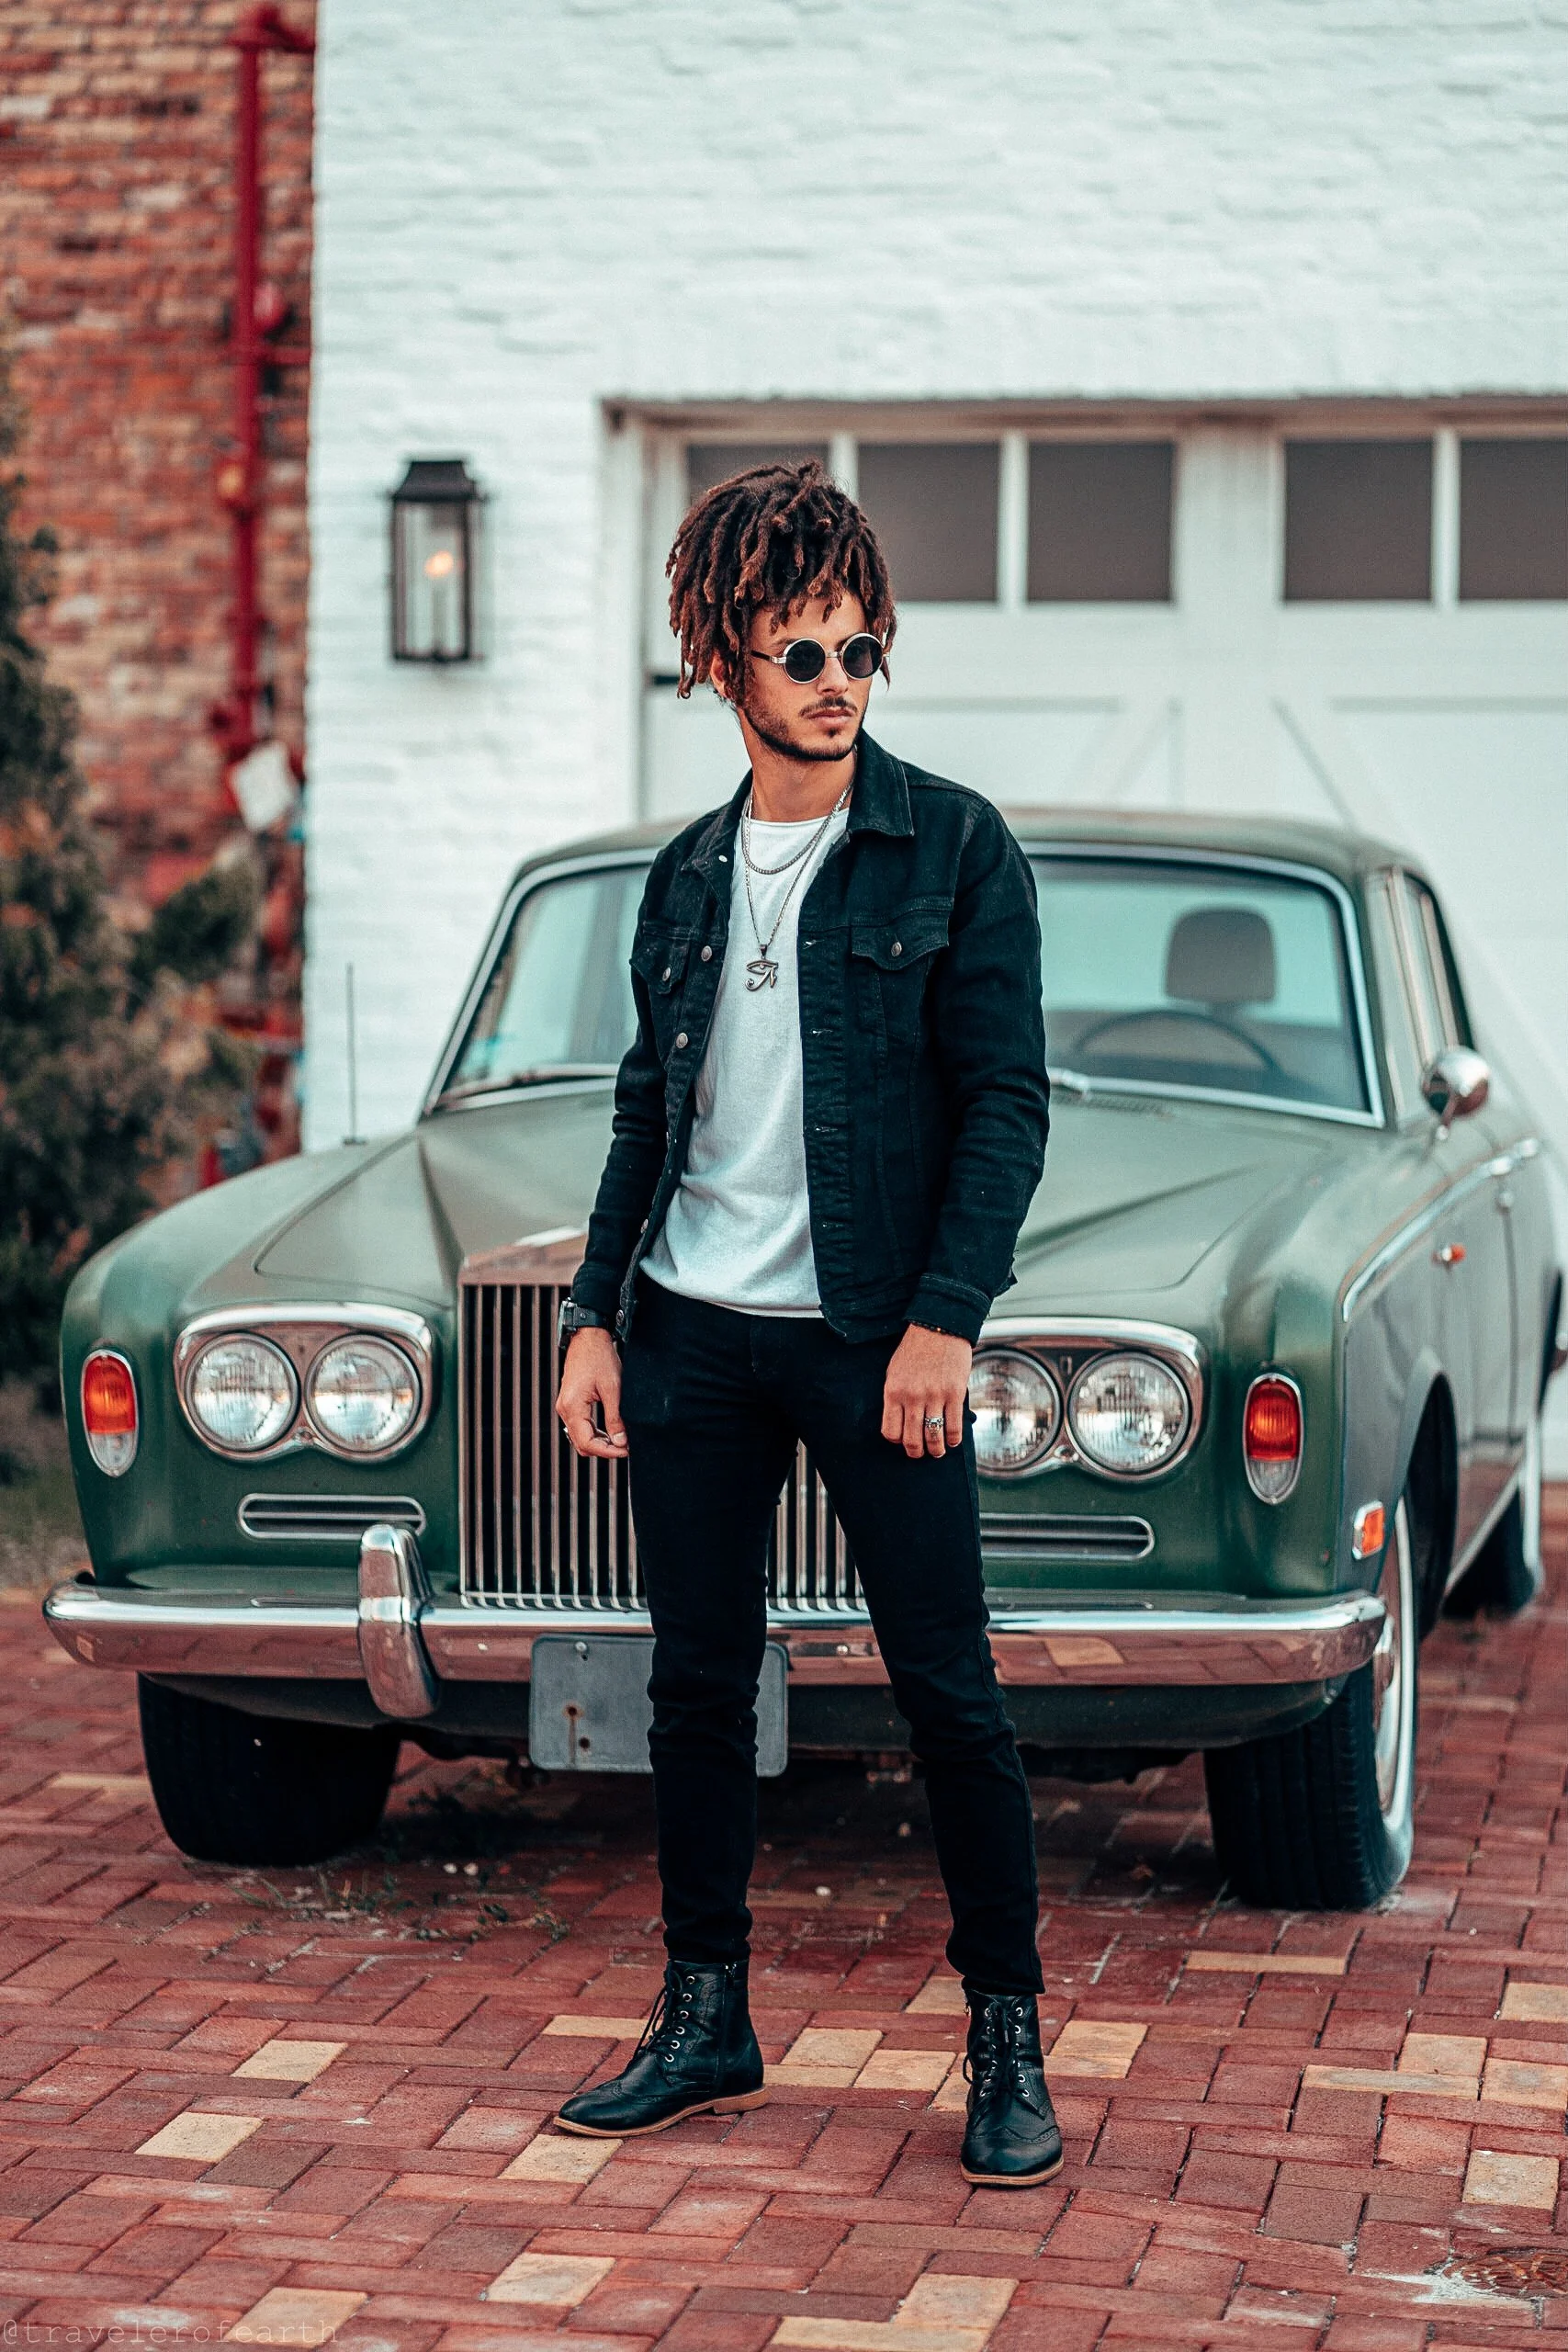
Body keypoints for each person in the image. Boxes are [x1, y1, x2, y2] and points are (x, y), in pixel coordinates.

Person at [551, 459, 1056, 2186]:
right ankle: (706, 2017)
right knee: (695, 1684)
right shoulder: (688, 874)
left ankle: (1005, 2036)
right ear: (724, 664)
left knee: (948, 1692)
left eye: (860, 649)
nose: (839, 682)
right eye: (801, 652)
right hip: (694, 1330)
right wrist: (594, 1313)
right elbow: (648, 1106)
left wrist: (944, 1321)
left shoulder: (954, 846)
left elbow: (1004, 1106)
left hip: (871, 1342)